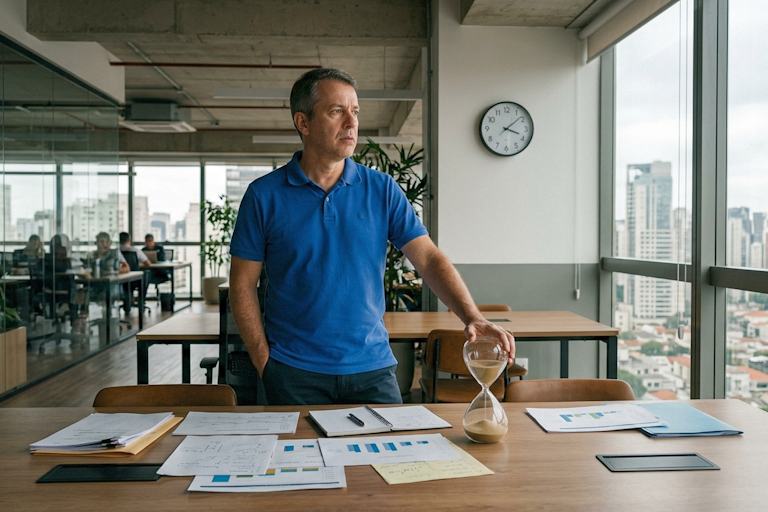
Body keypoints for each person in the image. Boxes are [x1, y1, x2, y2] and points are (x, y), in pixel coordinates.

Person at [229, 68, 515, 406]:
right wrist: (265, 362)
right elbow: (242, 285)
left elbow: (428, 258)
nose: (351, 122)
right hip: (292, 372)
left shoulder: (382, 190)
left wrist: (473, 316)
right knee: (298, 461)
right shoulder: (264, 196)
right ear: (303, 123)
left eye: (355, 111)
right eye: (336, 111)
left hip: (373, 370)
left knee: (389, 460)